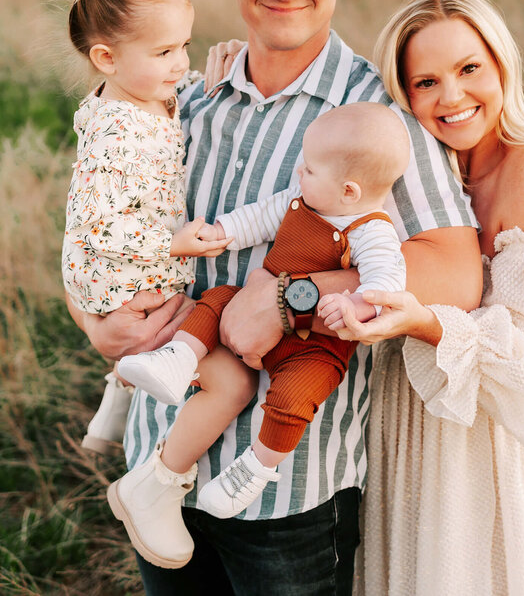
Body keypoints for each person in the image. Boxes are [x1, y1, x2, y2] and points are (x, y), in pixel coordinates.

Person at [64, 0, 482, 595]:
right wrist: (93, 322)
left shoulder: (376, 115)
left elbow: (457, 268)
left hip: (290, 489)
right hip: (161, 457)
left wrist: (295, 294)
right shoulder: (188, 95)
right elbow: (105, 220)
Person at [335, 0, 524, 596]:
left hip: (489, 455)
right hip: (406, 433)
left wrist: (426, 322)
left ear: (501, 65)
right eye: (425, 82)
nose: (451, 97)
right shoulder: (415, 166)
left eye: (468, 69)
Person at [109, 103, 410, 568]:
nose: (299, 171)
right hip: (246, 316)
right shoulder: (303, 201)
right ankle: (177, 359)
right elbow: (262, 217)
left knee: (295, 397)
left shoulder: (371, 232)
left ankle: (255, 469)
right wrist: (222, 231)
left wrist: (354, 303)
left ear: (350, 190)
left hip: (313, 346)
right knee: (217, 300)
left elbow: (388, 283)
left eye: (308, 168)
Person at [57, 0, 234, 454]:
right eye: (164, 51)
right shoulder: (118, 130)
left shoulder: (144, 93)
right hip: (124, 272)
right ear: (107, 58)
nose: (180, 64)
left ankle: (115, 401)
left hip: (126, 266)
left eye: (184, 45)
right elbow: (99, 225)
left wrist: (207, 78)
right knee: (199, 330)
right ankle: (163, 461)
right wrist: (173, 244)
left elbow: (176, 94)